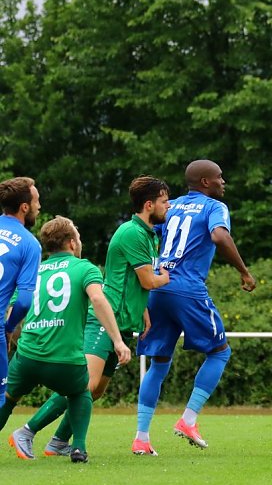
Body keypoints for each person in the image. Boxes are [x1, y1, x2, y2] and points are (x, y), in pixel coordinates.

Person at [10, 176, 171, 458]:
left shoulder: (150, 235)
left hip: (123, 321)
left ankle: (58, 441)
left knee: (95, 391)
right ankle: (26, 431)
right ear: (149, 205)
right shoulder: (132, 233)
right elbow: (147, 280)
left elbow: (131, 280)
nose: (168, 206)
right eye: (164, 201)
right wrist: (165, 278)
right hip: (106, 318)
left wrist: (142, 308)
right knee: (84, 385)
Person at [133, 160, 256, 456]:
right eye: (219, 177)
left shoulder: (171, 205)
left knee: (159, 363)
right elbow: (219, 236)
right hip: (187, 288)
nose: (223, 182)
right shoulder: (214, 207)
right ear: (205, 182)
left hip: (158, 285)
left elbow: (146, 230)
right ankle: (188, 420)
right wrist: (244, 271)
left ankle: (141, 438)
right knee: (220, 352)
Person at [0, 216, 129, 463]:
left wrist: (12, 339)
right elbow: (98, 299)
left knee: (6, 399)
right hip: (65, 360)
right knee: (81, 392)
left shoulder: (33, 271)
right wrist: (117, 340)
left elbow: (14, 311)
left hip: (27, 356)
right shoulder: (85, 268)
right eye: (78, 238)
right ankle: (78, 448)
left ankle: (38, 438)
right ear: (71, 243)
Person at [0, 177, 42, 409]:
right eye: (36, 201)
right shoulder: (29, 244)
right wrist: (8, 329)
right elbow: (24, 301)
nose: (39, 206)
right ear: (24, 207)